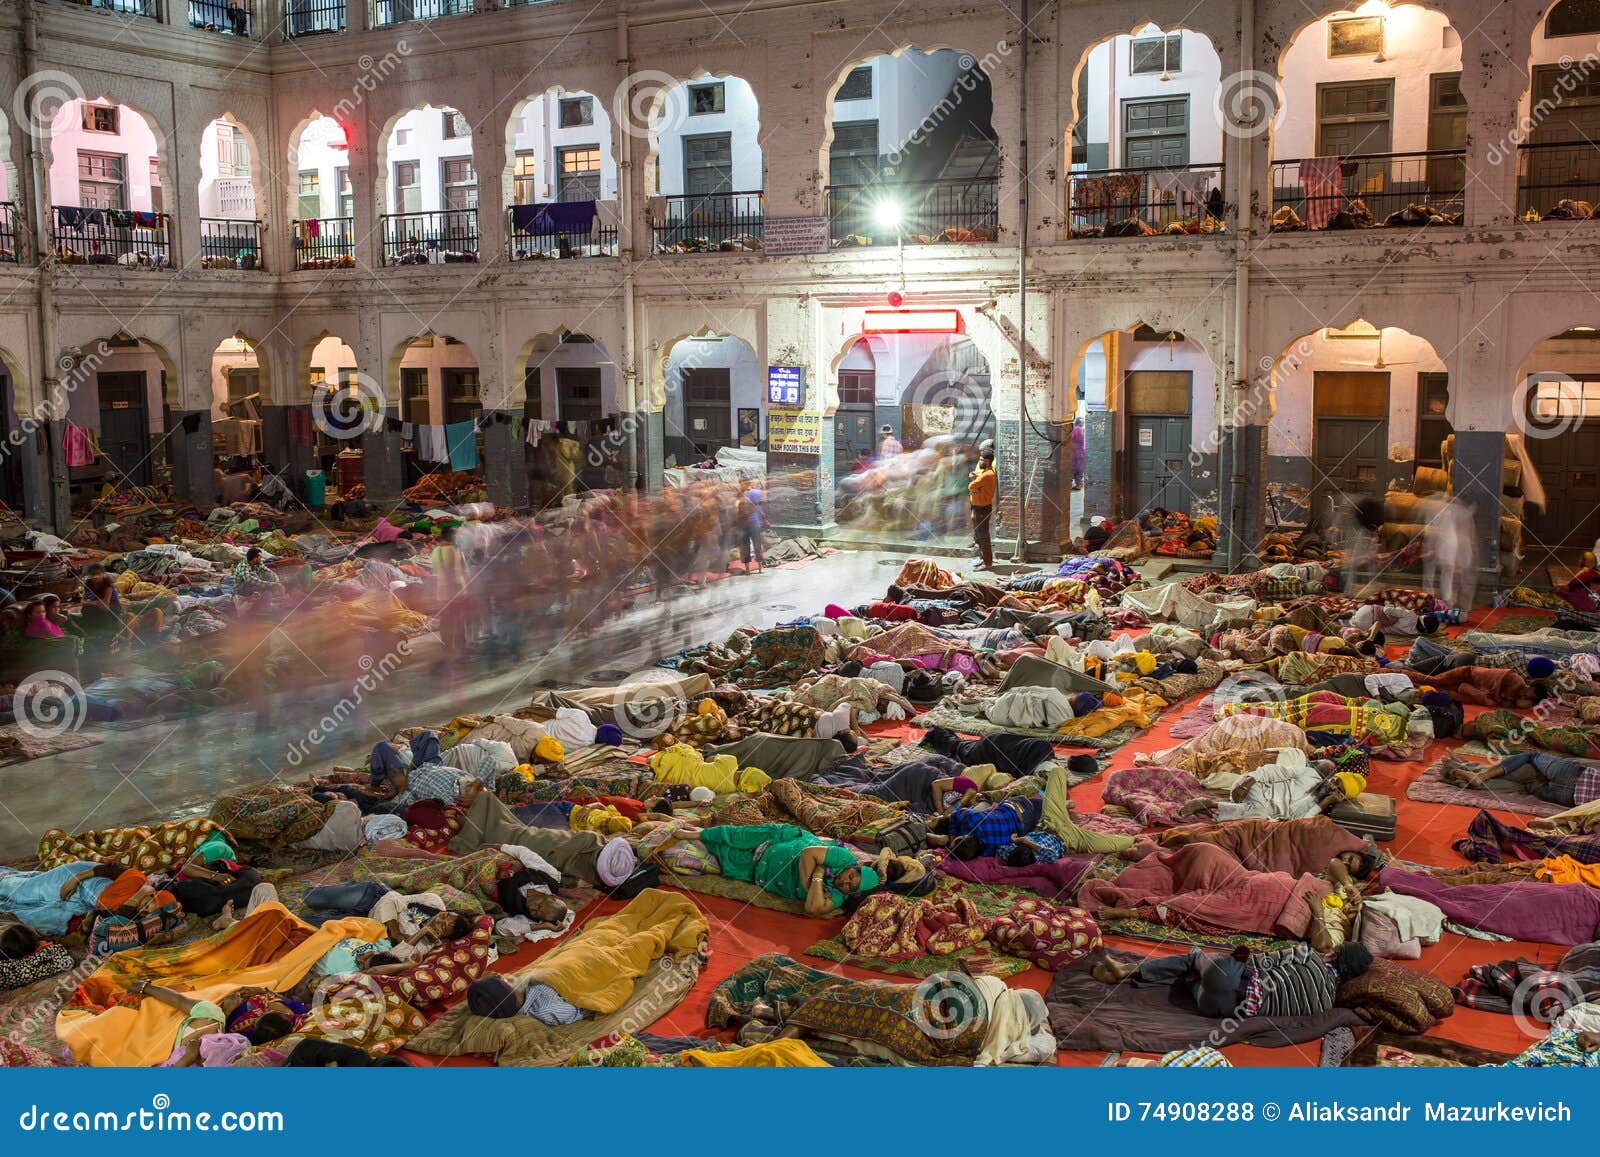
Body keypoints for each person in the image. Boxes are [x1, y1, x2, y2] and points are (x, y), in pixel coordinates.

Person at [1092, 941, 1373, 1019]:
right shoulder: (1325, 1003)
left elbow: (1260, 962)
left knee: (1195, 958)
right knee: (1191, 979)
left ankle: (1131, 971)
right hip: (1218, 1009)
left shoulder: (1309, 956)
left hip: (1230, 981)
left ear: (1336, 956)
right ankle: (1133, 977)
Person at [699, 822, 879, 917]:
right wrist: (810, 887)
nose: (845, 882)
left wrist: (817, 876)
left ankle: (695, 836)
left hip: (759, 870)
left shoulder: (838, 896)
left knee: (723, 856)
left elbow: (813, 909)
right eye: (851, 876)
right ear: (851, 868)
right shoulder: (844, 858)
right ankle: (692, 831)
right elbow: (808, 854)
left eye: (851, 886)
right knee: (734, 836)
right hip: (778, 839)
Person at [126, 979, 227, 1067]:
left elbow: (178, 1000)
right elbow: (177, 999)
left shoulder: (211, 1015)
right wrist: (144, 987)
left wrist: (187, 1058)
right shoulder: (211, 1013)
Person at [969, 443, 997, 570]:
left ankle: (987, 563)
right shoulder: (985, 473)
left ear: (987, 461)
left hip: (981, 508)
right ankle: (984, 560)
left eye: (981, 460)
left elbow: (971, 486)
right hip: (977, 507)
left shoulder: (988, 475)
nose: (979, 461)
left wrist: (974, 483)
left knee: (983, 536)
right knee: (980, 535)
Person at [736, 488, 767, 573]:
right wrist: (764, 519)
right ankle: (760, 568)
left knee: (744, 546)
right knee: (757, 544)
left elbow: (736, 509)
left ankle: (747, 570)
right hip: (755, 522)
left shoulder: (740, 494)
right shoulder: (758, 492)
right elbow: (760, 508)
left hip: (743, 524)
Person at [1069, 417, 1086, 490]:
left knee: (1072, 469)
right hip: (1080, 452)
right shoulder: (1081, 430)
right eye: (1082, 422)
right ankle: (1079, 485)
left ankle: (1069, 484)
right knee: (1079, 469)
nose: (1083, 424)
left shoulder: (1075, 429)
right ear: (1079, 422)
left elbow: (1071, 439)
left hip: (1074, 452)